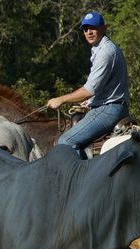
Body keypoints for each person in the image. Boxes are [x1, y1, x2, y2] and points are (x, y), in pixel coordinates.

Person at [47, 11, 129, 159]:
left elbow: (90, 89)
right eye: (85, 29)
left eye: (93, 28)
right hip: (111, 106)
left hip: (108, 110)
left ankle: (79, 180)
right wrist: (89, 103)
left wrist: (61, 99)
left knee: (65, 141)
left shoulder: (106, 52)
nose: (89, 32)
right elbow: (103, 88)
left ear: (104, 28)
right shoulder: (99, 49)